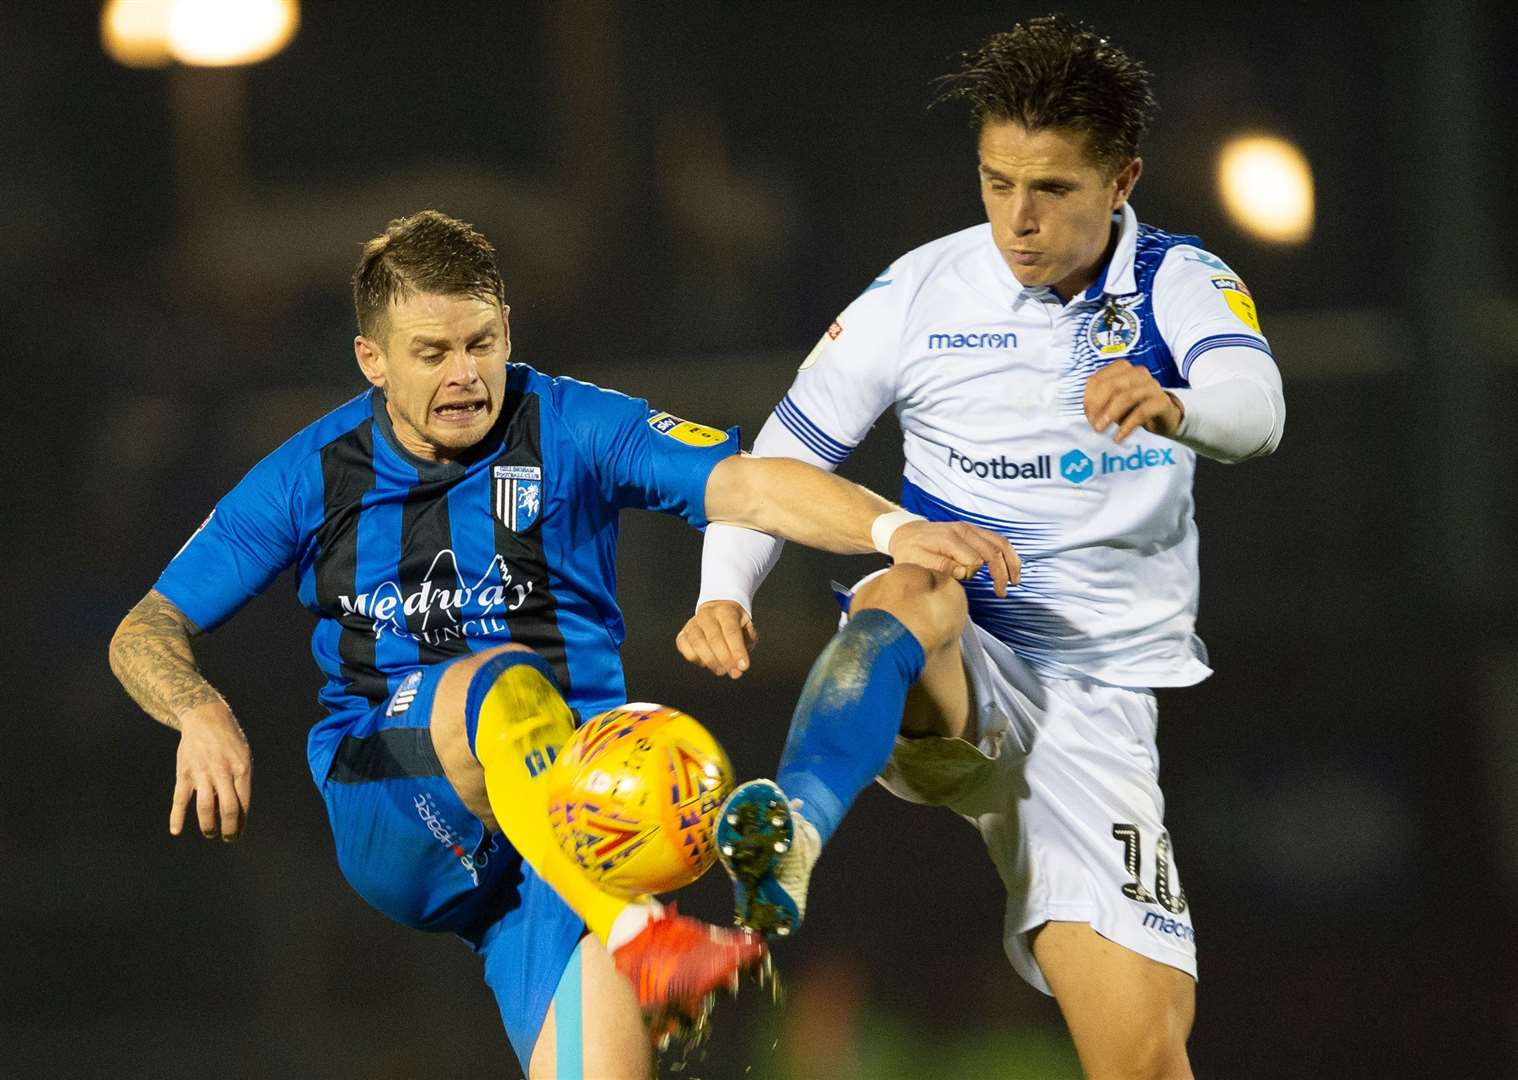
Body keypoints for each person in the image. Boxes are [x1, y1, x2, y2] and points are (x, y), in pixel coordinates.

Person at [107, 210, 1017, 1079]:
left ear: (508, 329)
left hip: (568, 829)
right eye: (433, 353)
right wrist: (200, 708)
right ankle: (643, 938)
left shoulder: (575, 425)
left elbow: (751, 489)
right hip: (397, 793)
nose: (465, 374)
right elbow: (145, 627)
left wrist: (894, 531)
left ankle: (620, 933)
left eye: (482, 343)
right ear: (372, 360)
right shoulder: (309, 475)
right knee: (503, 679)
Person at [677, 17, 1285, 1080]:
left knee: (1144, 1058)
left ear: (1122, 178)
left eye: (1051, 188)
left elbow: (1257, 405)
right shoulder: (919, 292)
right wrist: (724, 587)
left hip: (1094, 707)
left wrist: (1174, 403)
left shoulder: (1177, 283)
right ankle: (795, 835)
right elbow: (778, 458)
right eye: (997, 181)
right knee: (910, 587)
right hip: (957, 665)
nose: (1018, 216)